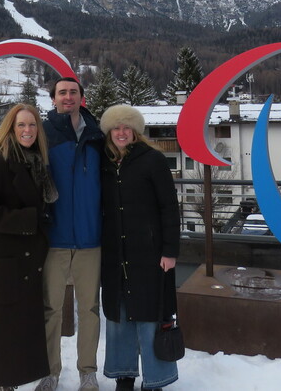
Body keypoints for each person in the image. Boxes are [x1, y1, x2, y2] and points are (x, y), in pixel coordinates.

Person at [0, 104, 58, 391]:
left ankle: (10, 381)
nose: (27, 130)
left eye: (32, 125)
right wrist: (28, 219)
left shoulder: (36, 163)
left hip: (22, 262)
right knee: (1, 329)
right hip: (3, 261)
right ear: (10, 129)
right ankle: (0, 384)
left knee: (16, 329)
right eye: (21, 125)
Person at [98, 105, 180, 391]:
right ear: (109, 132)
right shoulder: (104, 162)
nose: (121, 133)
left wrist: (170, 251)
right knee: (119, 316)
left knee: (150, 316)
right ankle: (123, 375)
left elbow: (169, 207)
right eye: (116, 128)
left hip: (149, 253)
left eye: (126, 127)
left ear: (135, 131)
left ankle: (156, 378)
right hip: (114, 254)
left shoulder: (153, 160)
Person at [37, 76, 104, 391]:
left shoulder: (96, 135)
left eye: (73, 92)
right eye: (61, 92)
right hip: (55, 239)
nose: (67, 97)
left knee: (89, 308)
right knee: (51, 308)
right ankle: (50, 372)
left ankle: (87, 372)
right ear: (53, 99)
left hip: (91, 238)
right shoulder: (43, 134)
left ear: (82, 97)